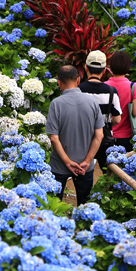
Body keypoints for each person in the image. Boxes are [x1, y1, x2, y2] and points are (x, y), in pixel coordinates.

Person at [45, 64, 104, 205]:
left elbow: (54, 138)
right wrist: (88, 161)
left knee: (53, 205)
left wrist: (67, 162)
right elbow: (99, 135)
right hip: (85, 166)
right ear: (78, 80)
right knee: (85, 205)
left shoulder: (56, 104)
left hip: (60, 164)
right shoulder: (92, 102)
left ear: (59, 83)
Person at [78, 49, 121, 173]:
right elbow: (117, 119)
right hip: (104, 139)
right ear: (104, 70)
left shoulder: (78, 90)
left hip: (83, 139)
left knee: (83, 173)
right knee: (108, 172)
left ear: (86, 68)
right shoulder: (112, 92)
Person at [106, 50, 136, 154]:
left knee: (107, 166)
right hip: (125, 137)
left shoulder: (104, 85)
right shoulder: (133, 87)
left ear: (111, 66)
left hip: (107, 135)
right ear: (128, 67)